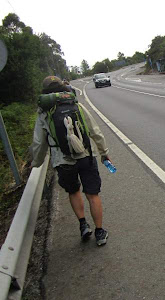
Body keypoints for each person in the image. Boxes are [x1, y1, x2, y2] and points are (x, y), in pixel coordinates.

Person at [31, 76, 110, 246]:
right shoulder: (76, 105)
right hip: (85, 156)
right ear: (63, 88)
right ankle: (100, 232)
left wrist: (36, 163)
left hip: (63, 161)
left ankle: (83, 225)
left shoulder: (43, 113)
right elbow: (95, 131)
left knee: (74, 192)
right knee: (92, 194)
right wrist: (104, 152)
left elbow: (39, 143)